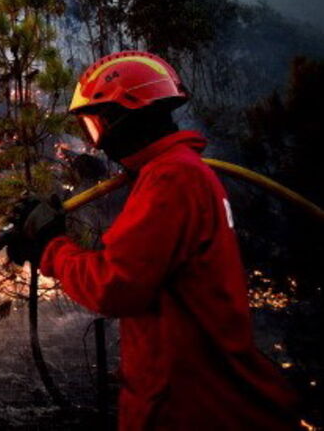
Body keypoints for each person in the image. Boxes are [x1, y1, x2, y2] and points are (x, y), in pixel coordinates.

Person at [16, 50, 298, 430]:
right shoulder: (177, 171)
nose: (97, 145)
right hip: (192, 396)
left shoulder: (172, 178)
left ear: (123, 116)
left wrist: (50, 248)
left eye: (96, 127)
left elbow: (115, 285)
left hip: (193, 406)